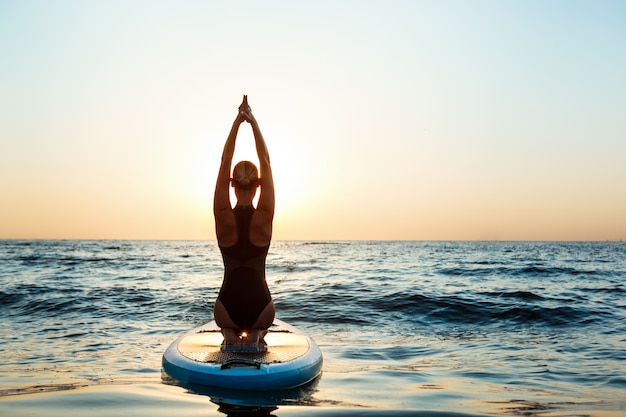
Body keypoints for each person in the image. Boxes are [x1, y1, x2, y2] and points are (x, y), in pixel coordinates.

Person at [213, 96, 276, 352]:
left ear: (231, 183)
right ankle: (257, 335)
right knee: (258, 329)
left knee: (227, 326)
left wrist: (237, 122)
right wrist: (253, 121)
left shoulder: (222, 213)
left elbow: (224, 160)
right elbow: (267, 162)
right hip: (261, 309)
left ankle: (229, 335)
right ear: (258, 185)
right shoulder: (265, 214)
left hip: (226, 309)